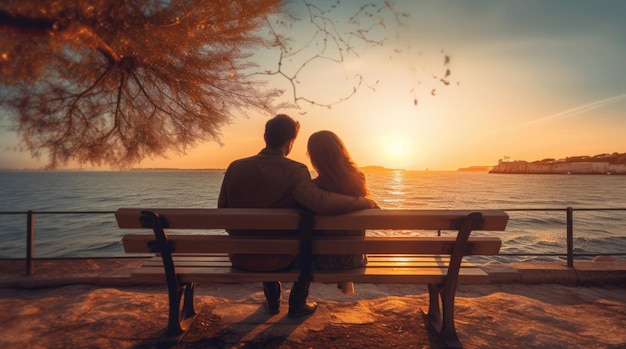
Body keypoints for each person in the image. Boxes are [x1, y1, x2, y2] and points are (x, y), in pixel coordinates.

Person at [218, 114, 377, 318]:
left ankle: (273, 301)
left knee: (268, 235)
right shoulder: (295, 170)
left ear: (265, 135)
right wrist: (363, 201)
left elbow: (222, 210)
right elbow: (320, 202)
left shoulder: (235, 167)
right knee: (292, 240)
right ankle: (297, 304)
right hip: (282, 258)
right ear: (291, 142)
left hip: (240, 257)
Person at [306, 130, 371, 295]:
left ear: (314, 157)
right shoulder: (358, 180)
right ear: (341, 151)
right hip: (353, 260)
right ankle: (345, 280)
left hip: (321, 261)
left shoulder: (313, 189)